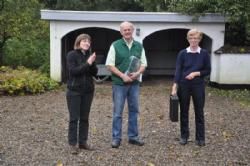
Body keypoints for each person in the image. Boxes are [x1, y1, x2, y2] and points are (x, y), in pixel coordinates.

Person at [105, 21, 147, 148]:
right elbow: (109, 65)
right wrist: (122, 76)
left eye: (129, 29)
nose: (127, 31)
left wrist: (137, 73)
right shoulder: (115, 45)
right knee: (118, 112)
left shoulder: (139, 46)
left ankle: (133, 136)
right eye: (125, 30)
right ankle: (116, 138)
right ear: (121, 32)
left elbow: (144, 64)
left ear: (132, 30)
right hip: (119, 84)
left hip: (134, 84)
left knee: (134, 110)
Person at [171, 29, 211, 147]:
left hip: (198, 85)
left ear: (199, 39)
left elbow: (207, 70)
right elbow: (178, 71)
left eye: (196, 38)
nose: (193, 40)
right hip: (184, 85)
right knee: (184, 111)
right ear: (188, 39)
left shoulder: (204, 53)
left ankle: (200, 138)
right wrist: (174, 86)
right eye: (191, 38)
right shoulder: (182, 53)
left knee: (199, 111)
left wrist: (195, 73)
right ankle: (184, 136)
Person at [66, 33, 98, 153]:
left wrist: (93, 63)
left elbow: (95, 73)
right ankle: (72, 144)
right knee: (74, 118)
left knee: (85, 118)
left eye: (88, 41)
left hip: (88, 91)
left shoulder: (89, 55)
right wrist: (88, 63)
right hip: (74, 91)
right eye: (84, 41)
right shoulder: (71, 55)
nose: (87, 43)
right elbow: (74, 71)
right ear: (78, 42)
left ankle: (83, 142)